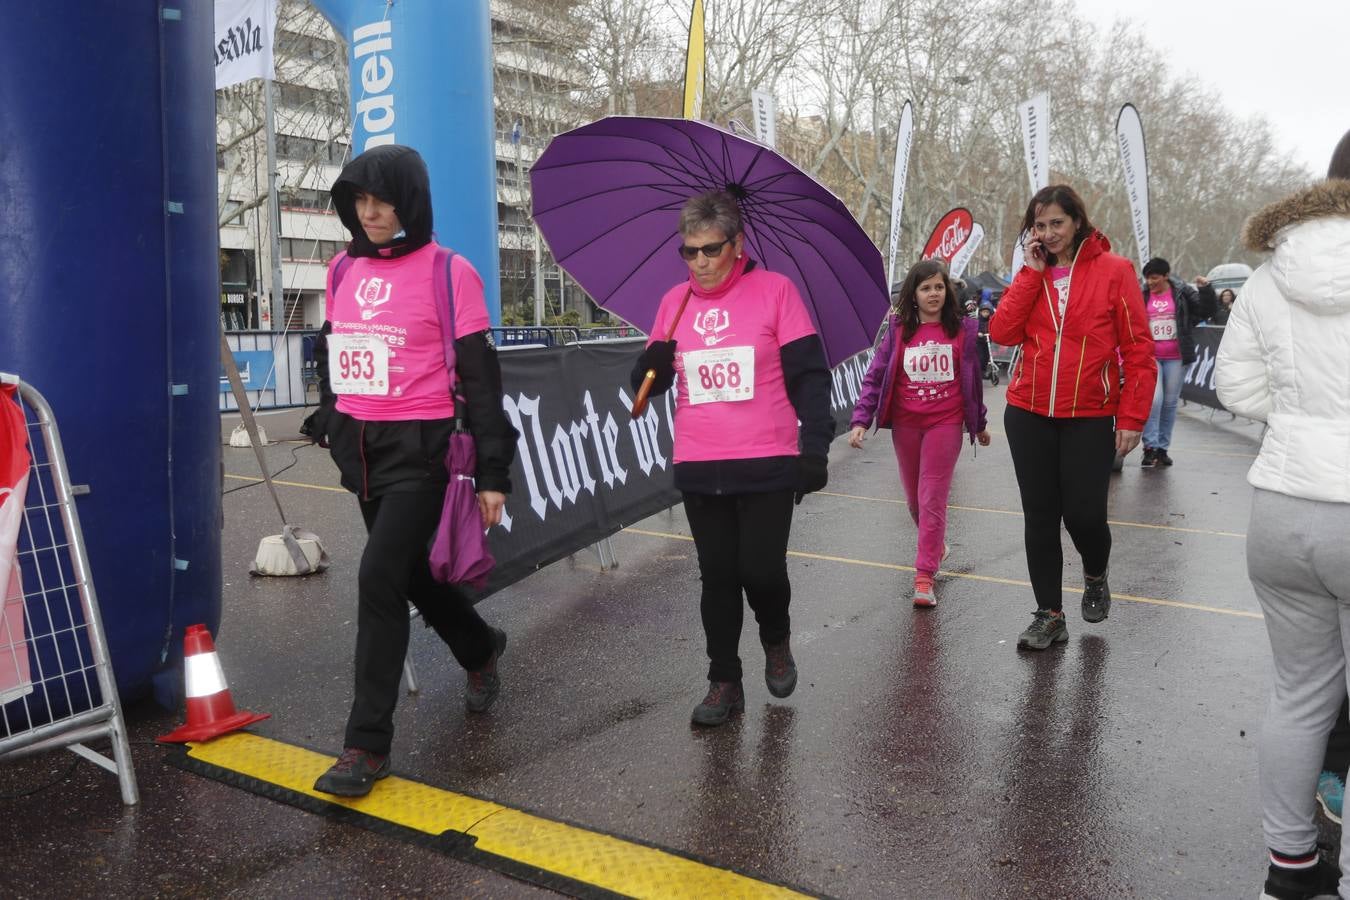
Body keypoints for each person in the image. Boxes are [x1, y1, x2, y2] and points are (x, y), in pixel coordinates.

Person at [301, 145, 519, 797]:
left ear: (411, 201)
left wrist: (492, 472)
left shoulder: (450, 272)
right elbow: (334, 353)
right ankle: (480, 648)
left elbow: (482, 382)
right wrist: (325, 415)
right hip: (359, 448)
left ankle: (365, 745)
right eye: (359, 200)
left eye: (383, 200)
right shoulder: (341, 268)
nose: (369, 213)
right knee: (411, 575)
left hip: (421, 451)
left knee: (376, 576)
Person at [631, 189, 834, 727]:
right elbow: (645, 388)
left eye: (710, 249)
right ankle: (724, 681)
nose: (699, 261)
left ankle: (776, 640)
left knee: (761, 571)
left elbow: (811, 378)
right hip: (701, 462)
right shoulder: (674, 305)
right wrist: (650, 366)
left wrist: (814, 447)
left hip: (768, 460)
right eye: (689, 251)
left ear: (737, 244)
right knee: (717, 576)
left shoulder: (776, 292)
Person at [1215, 128, 1350, 900]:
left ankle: (1291, 868)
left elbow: (1236, 389)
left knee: (1298, 695)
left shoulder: (1270, 275)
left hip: (1283, 509)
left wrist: (1300, 421)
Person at [988, 184, 1155, 650]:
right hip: (1028, 412)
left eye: (1056, 223)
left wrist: (1132, 417)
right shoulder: (1033, 273)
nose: (1048, 232)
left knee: (1084, 516)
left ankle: (1096, 572)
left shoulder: (1115, 271)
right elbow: (1002, 331)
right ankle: (1049, 615)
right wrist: (1030, 274)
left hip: (1089, 414)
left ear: (1077, 221)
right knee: (1040, 517)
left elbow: (1139, 351)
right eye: (1039, 225)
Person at [847, 259, 990, 607]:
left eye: (939, 287)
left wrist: (979, 424)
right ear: (913, 294)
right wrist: (861, 419)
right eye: (926, 288)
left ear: (947, 292)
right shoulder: (898, 331)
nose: (933, 294)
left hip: (945, 423)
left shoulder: (961, 330)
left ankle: (924, 575)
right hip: (907, 425)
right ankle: (936, 544)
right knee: (914, 501)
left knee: (932, 498)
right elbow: (876, 375)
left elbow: (972, 384)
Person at [1138, 258, 1214, 467]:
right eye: (1148, 278)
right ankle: (1149, 447)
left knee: (1170, 404)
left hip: (1176, 357)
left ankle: (1162, 448)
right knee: (1154, 401)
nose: (1150, 282)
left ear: (1165, 276)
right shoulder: (1142, 294)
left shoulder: (1182, 292)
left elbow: (1205, 311)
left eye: (1154, 278)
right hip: (1150, 356)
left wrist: (1205, 289)